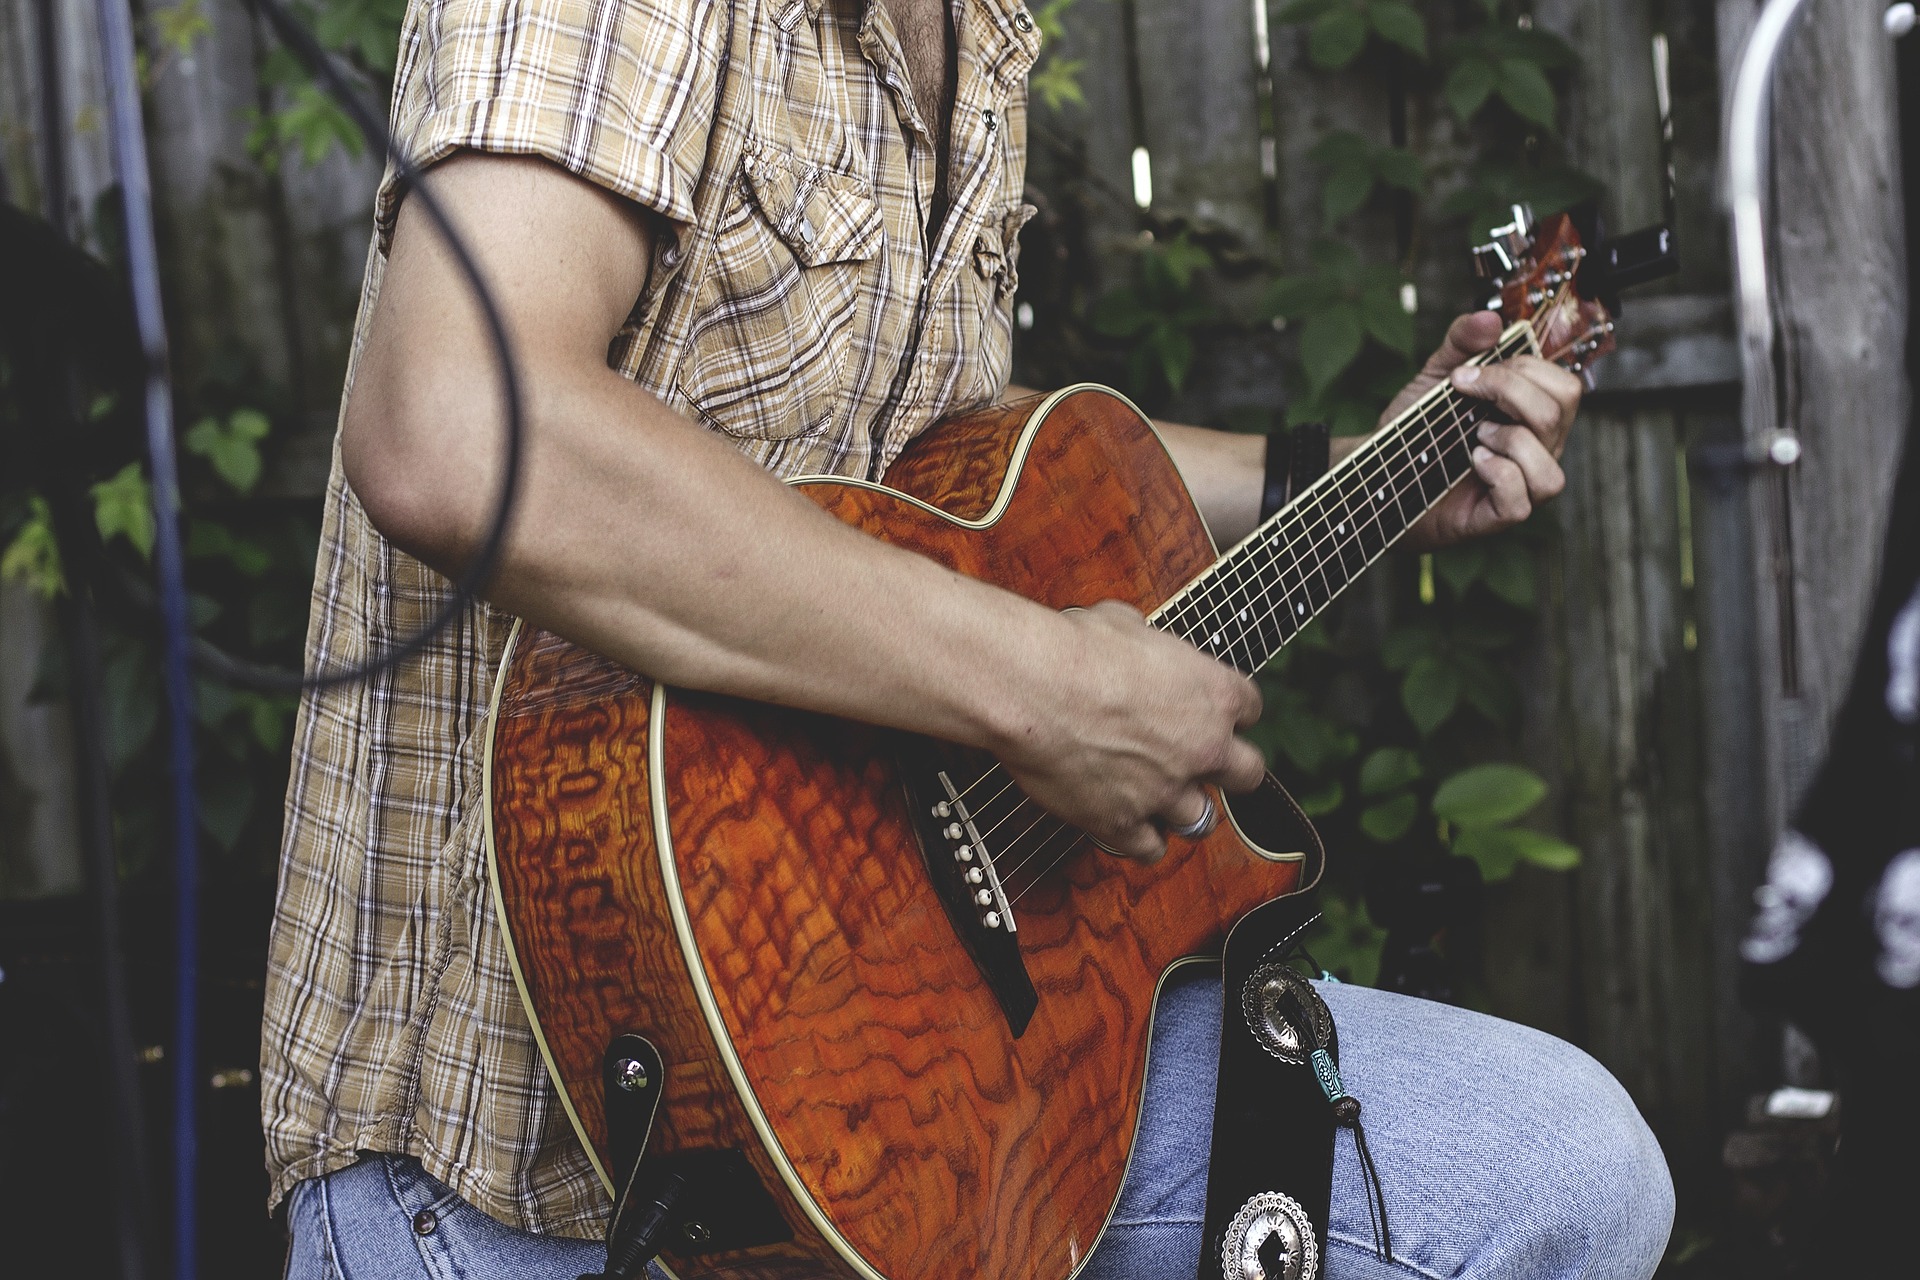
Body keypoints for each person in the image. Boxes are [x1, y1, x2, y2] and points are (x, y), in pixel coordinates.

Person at [261, 0, 1677, 1275]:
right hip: (533, 1164)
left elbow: (953, 497)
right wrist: (1045, 692)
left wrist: (1368, 466)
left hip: (926, 1048)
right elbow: (458, 430)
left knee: (1557, 1169)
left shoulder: (979, 32)